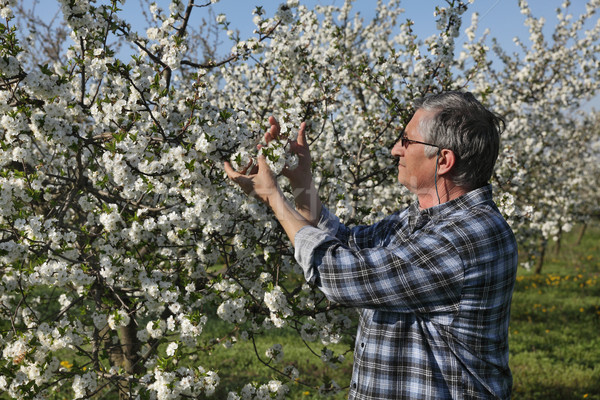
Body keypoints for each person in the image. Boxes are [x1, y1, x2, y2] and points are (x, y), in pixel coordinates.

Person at [224, 91, 518, 400]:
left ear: (443, 160)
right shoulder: (420, 219)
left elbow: (340, 273)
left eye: (407, 141)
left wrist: (273, 197)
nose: (395, 150)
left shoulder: (466, 237)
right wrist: (300, 181)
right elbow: (345, 244)